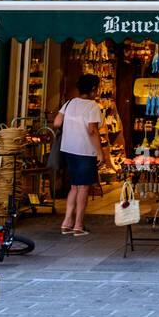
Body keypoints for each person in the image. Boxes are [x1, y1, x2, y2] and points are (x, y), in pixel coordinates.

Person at [53, 75, 105, 236]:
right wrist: (101, 154)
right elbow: (93, 131)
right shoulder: (92, 107)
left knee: (74, 186)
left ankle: (66, 222)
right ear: (93, 89)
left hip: (69, 149)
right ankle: (78, 224)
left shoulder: (69, 103)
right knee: (84, 188)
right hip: (84, 150)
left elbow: (56, 122)